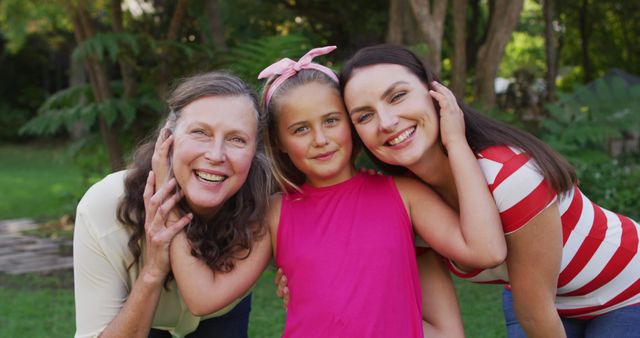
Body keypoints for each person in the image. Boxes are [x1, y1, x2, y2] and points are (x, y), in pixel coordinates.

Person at [167, 46, 506, 337]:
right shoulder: (276, 211)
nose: (320, 139)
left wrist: (456, 142)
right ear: (281, 144)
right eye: (300, 129)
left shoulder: (404, 195)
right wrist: (170, 204)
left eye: (331, 120)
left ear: (352, 122)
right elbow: (204, 298)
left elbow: (486, 250)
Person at [336, 44, 640, 338]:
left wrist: (455, 142)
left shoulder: (510, 176)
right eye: (364, 116)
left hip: (628, 290)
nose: (386, 122)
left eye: (398, 96)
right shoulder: (408, 203)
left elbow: (536, 314)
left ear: (436, 94)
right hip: (539, 298)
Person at [72, 71, 272, 338]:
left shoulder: (266, 207)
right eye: (200, 132)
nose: (216, 155)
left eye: (237, 139)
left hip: (221, 311)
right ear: (167, 140)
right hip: (141, 317)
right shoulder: (104, 207)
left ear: (255, 151)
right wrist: (153, 272)